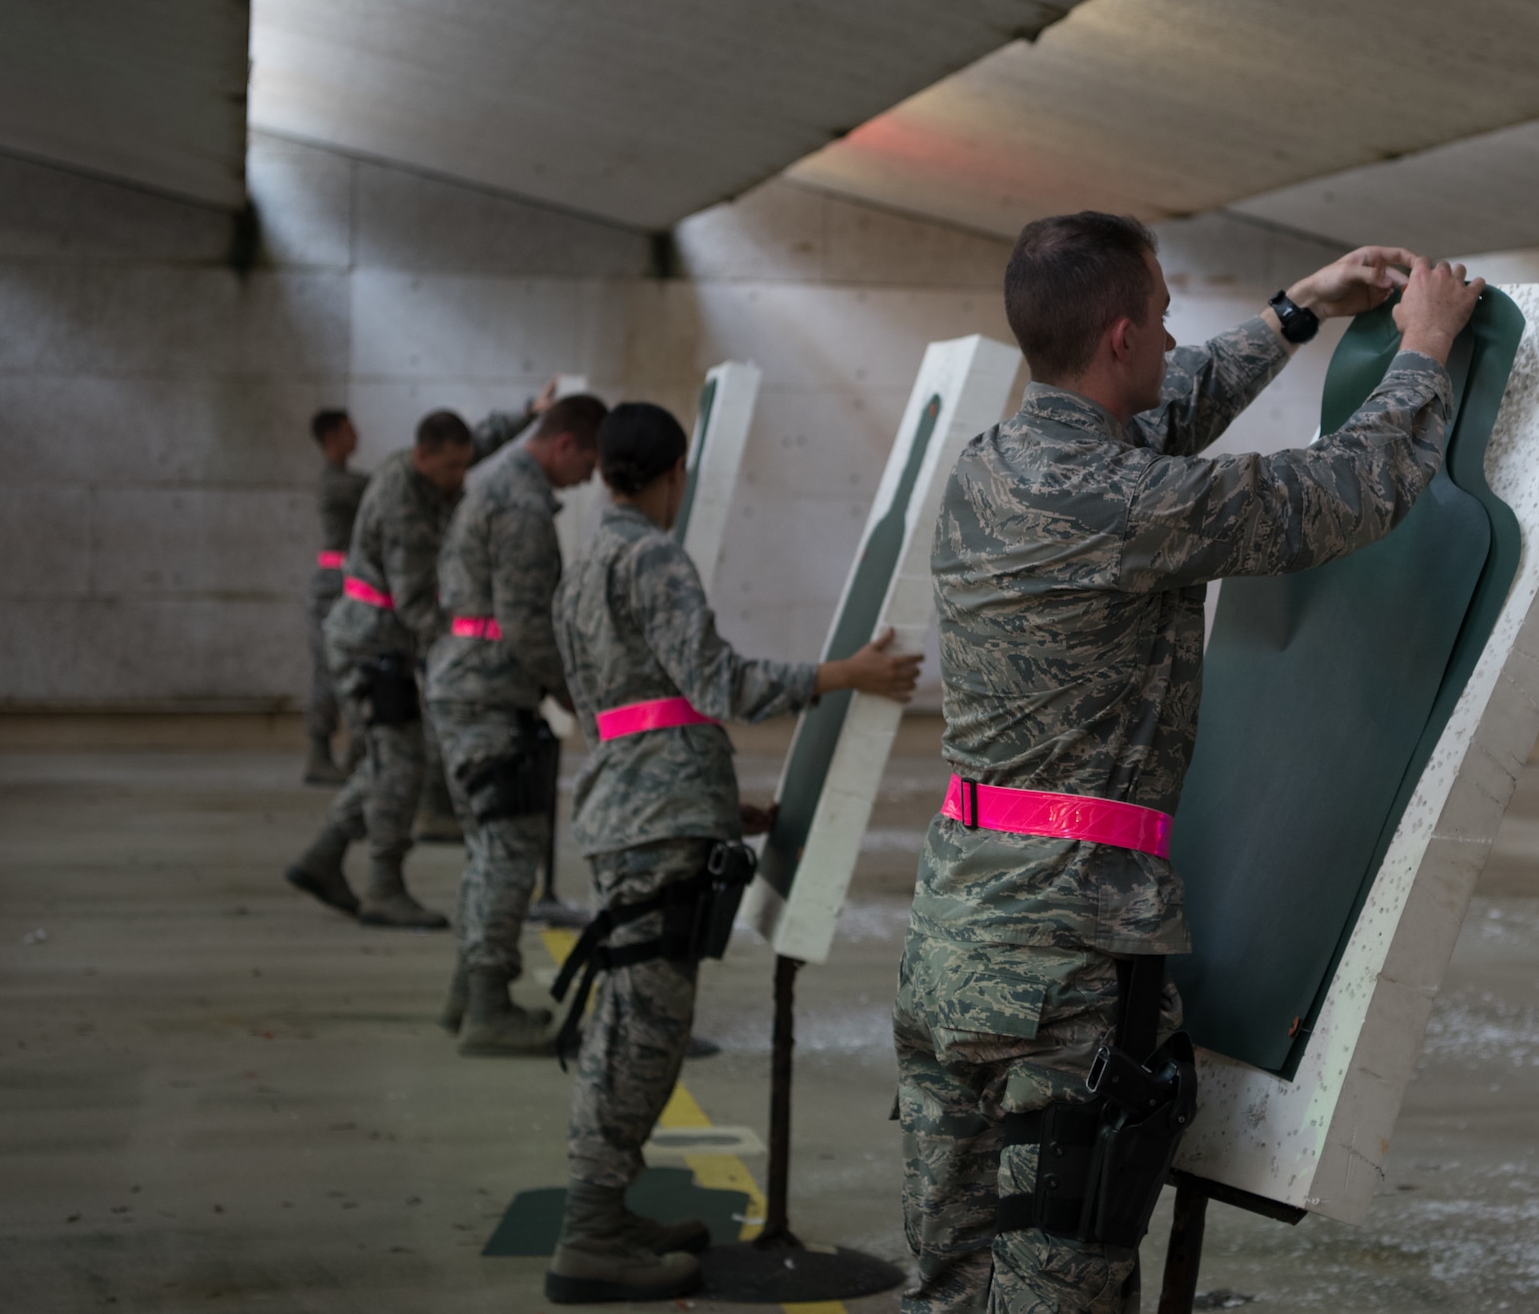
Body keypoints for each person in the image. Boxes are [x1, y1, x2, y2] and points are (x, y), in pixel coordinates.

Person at [896, 213, 1485, 1313]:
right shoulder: (1123, 503)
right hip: (1060, 968)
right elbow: (1341, 490)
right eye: (1160, 321)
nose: (1173, 340)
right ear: (1117, 335)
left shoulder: (994, 466)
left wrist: (1296, 311)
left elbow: (1164, 406)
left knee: (949, 1282)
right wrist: (1423, 346)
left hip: (953, 933)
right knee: (1055, 1287)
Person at [544, 403, 922, 1303]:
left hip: (634, 809)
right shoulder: (652, 556)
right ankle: (591, 1229)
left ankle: (605, 1208)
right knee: (646, 1028)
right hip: (657, 822)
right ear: (673, 472)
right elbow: (718, 684)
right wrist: (843, 676)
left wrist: (719, 804)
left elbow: (631, 706)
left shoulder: (586, 563)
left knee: (631, 1018)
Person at [283, 384, 557, 928]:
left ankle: (325, 855)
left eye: (463, 468)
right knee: (401, 763)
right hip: (371, 644)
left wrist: (528, 413)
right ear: (421, 456)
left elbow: (477, 441)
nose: (459, 479)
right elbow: (415, 605)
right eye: (450, 469)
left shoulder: (436, 465)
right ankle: (383, 886)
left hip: (383, 642)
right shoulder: (403, 501)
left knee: (394, 757)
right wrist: (456, 655)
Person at [426, 394, 610, 1054]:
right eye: (588, 461)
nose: (589, 477)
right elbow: (529, 627)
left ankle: (471, 994)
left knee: (487, 850)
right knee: (508, 852)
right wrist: (585, 702)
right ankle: (486, 1010)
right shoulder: (524, 506)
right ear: (565, 444)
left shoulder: (497, 483)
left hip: (469, 688)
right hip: (489, 695)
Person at [303, 409, 368, 786]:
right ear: (332, 436)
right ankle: (320, 754)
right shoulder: (337, 484)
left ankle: (343, 753)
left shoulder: (342, 480)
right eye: (349, 429)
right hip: (334, 587)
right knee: (330, 671)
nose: (356, 434)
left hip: (345, 583)